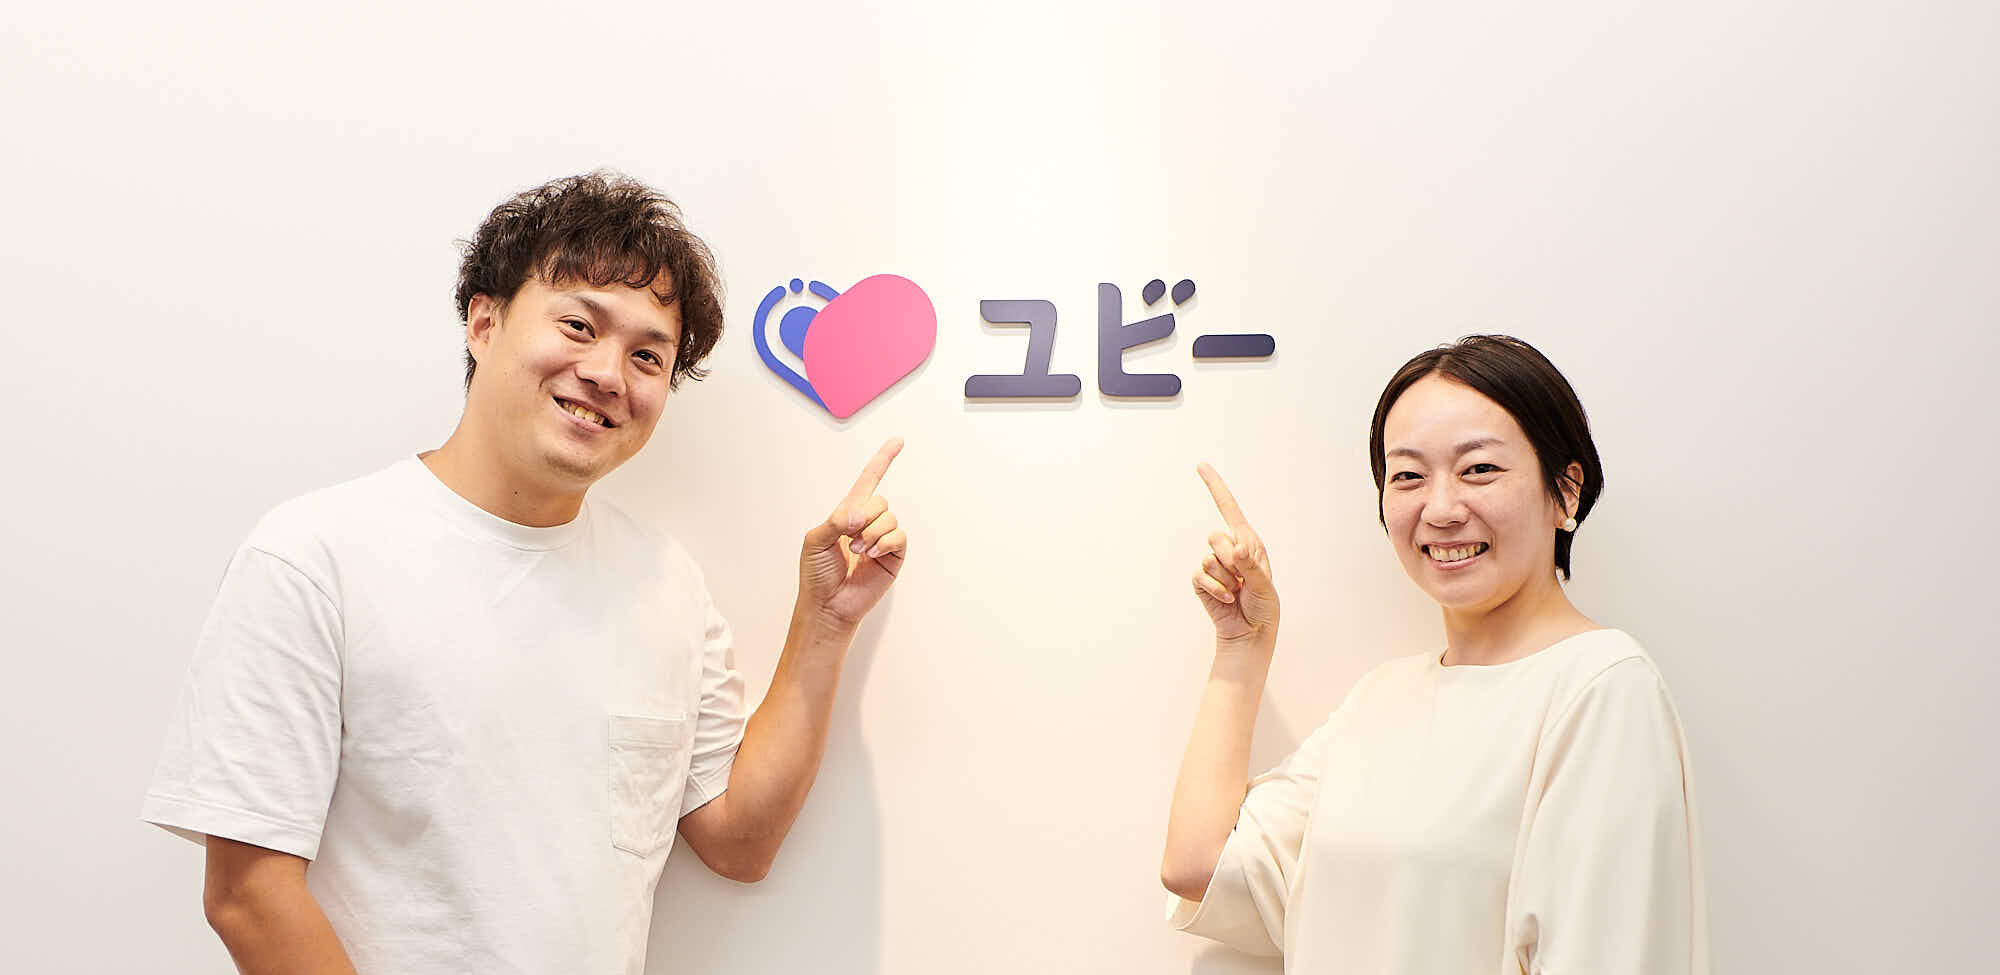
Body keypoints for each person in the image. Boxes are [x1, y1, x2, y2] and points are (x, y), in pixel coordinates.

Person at [142, 171, 908, 975]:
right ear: (484, 322)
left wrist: (826, 620)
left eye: (648, 356)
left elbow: (739, 840)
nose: (609, 373)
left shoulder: (667, 584)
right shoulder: (313, 555)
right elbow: (247, 894)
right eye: (579, 324)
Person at [1161, 335, 1709, 972]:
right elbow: (1199, 867)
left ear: (1565, 491)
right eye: (1408, 476)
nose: (1442, 509)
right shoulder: (1380, 698)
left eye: (1479, 469)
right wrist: (1243, 644)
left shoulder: (1603, 688)